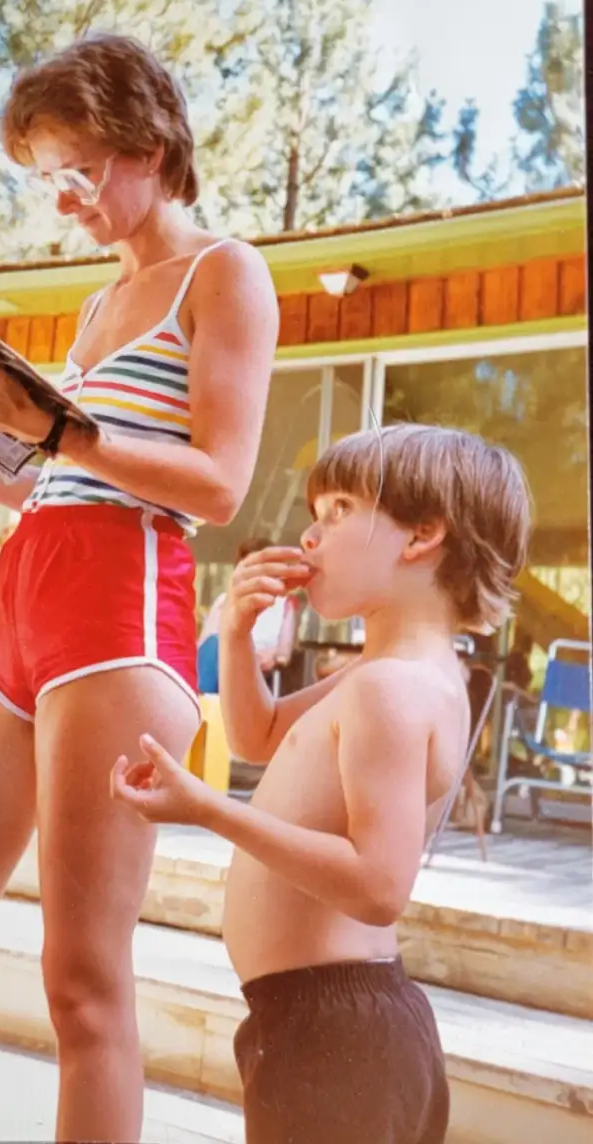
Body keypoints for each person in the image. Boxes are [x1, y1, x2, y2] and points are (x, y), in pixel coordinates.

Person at [0, 32, 279, 1143]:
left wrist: (53, 425)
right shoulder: (94, 309)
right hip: (27, 595)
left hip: (119, 608)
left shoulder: (223, 273)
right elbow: (48, 478)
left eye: (79, 169)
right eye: (46, 177)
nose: (64, 197)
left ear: (150, 145)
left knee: (81, 979)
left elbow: (219, 483)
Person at [112, 423, 531, 1144]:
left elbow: (378, 886)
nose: (310, 535)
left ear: (421, 534)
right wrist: (236, 634)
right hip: (324, 1023)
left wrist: (208, 809)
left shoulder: (391, 689)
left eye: (339, 510)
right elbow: (260, 734)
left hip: (336, 1034)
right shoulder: (389, 674)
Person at [197, 537, 300, 694]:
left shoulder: (283, 604)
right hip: (224, 660)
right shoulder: (225, 600)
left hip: (257, 667)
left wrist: (259, 657)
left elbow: (282, 656)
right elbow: (205, 644)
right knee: (215, 647)